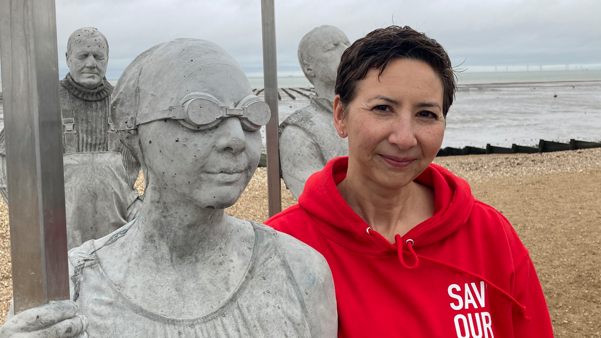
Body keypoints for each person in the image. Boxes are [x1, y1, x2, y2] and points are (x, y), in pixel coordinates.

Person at [0, 38, 337, 337]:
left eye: (250, 117)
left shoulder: (300, 272)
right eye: (200, 113)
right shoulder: (68, 290)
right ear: (132, 131)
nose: (237, 140)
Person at [267, 26, 554, 337]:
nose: (404, 139)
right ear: (340, 115)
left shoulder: (491, 237)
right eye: (382, 109)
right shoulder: (283, 248)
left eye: (426, 114)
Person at [0, 27, 141, 249]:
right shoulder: (42, 102)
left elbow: (153, 157)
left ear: (107, 59)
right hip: (59, 229)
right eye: (83, 56)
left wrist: (140, 205)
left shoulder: (123, 104)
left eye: (98, 56)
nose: (91, 63)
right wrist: (28, 214)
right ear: (67, 58)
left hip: (118, 232)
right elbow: (8, 156)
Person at [279, 25, 351, 198]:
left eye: (347, 42)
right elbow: (316, 200)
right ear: (309, 67)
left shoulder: (377, 112)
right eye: (332, 47)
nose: (347, 50)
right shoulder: (299, 131)